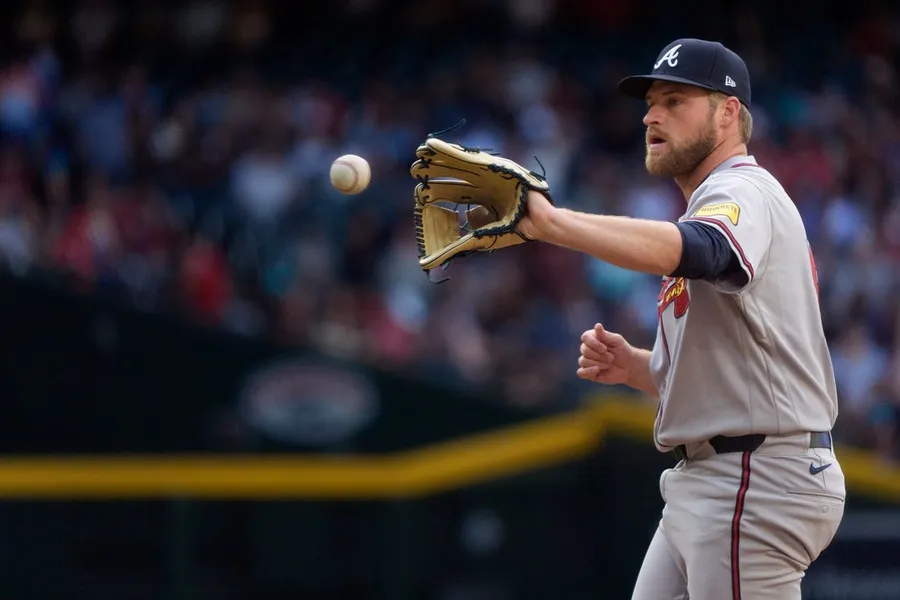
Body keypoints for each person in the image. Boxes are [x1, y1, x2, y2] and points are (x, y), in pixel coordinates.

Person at [516, 38, 845, 600]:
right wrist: (640, 368)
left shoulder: (741, 188)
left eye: (675, 101)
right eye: (651, 103)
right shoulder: (715, 200)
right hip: (718, 475)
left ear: (728, 112)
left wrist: (553, 223)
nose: (652, 115)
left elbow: (705, 250)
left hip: (754, 476)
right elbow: (742, 374)